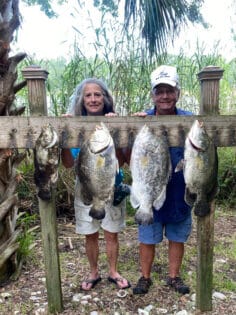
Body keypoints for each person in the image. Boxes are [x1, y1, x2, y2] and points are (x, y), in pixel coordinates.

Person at [61, 78, 131, 291]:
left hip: (111, 186)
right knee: (89, 233)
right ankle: (93, 273)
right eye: (88, 95)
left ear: (105, 98)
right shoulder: (76, 126)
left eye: (97, 95)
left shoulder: (114, 121)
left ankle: (113, 271)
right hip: (85, 188)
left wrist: (116, 131)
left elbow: (123, 161)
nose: (93, 99)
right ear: (82, 100)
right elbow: (67, 164)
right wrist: (65, 133)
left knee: (111, 233)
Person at [132, 65, 192, 295]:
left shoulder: (189, 120)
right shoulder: (143, 120)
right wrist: (136, 125)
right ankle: (145, 277)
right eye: (159, 91)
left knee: (177, 237)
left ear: (178, 92)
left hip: (179, 191)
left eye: (169, 90)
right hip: (150, 189)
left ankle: (174, 277)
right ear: (153, 95)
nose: (165, 96)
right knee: (147, 237)